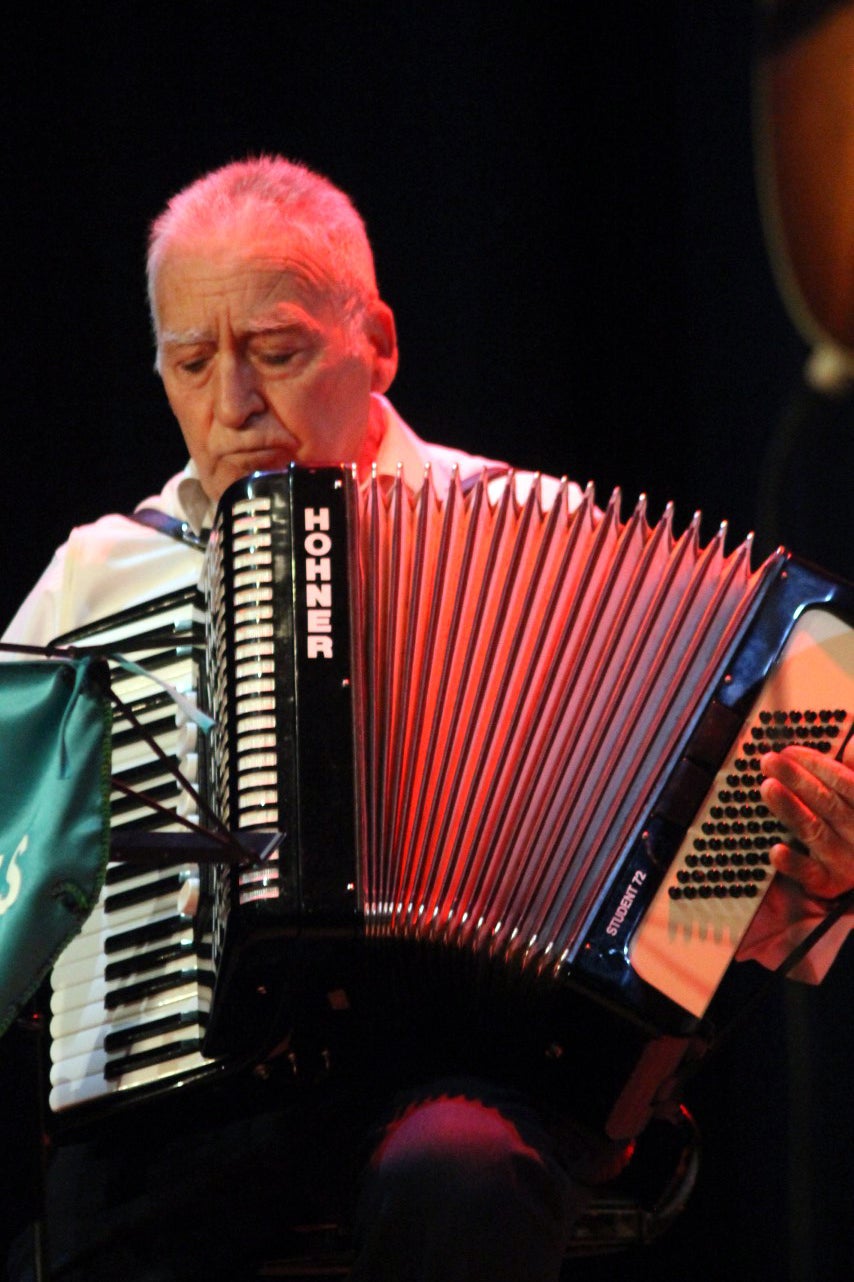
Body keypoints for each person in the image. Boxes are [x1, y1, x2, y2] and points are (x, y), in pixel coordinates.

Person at [3, 156, 853, 1282]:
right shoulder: (99, 582)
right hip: (193, 1089)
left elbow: (707, 911)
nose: (232, 405)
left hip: (486, 1067)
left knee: (454, 1172)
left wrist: (816, 862)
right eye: (192, 362)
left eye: (277, 351)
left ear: (380, 344)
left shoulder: (540, 539)